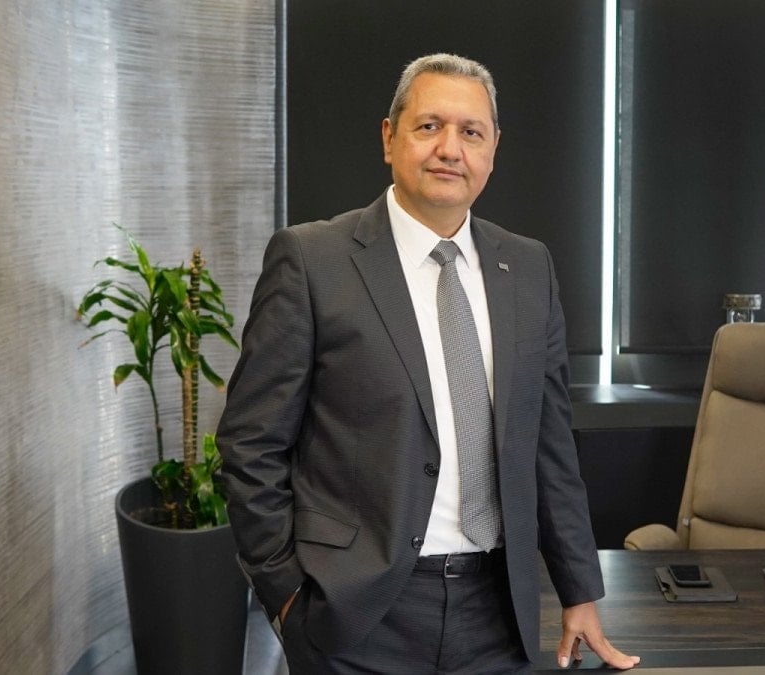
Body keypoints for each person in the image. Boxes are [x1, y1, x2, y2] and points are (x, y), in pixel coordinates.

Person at [217, 52, 639, 673]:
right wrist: (285, 596)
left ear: (493, 149)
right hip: (357, 613)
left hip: (498, 611)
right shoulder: (312, 260)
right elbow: (251, 444)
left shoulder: (527, 267)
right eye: (429, 126)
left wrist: (579, 591)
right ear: (390, 138)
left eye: (471, 132)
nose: (450, 149)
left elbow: (548, 444)